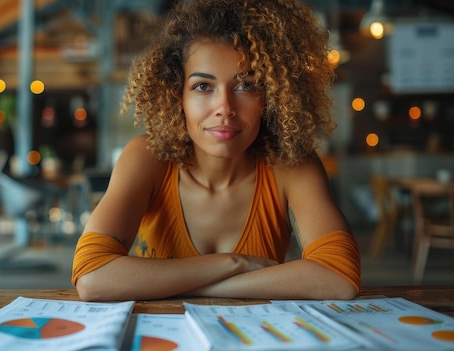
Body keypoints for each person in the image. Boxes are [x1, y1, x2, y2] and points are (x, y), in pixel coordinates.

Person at [72, 0, 361, 301]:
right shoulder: (147, 157)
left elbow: (339, 276)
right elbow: (92, 276)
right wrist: (234, 263)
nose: (224, 108)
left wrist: (198, 287)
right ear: (176, 94)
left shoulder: (290, 164)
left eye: (246, 86)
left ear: (272, 97)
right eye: (202, 87)